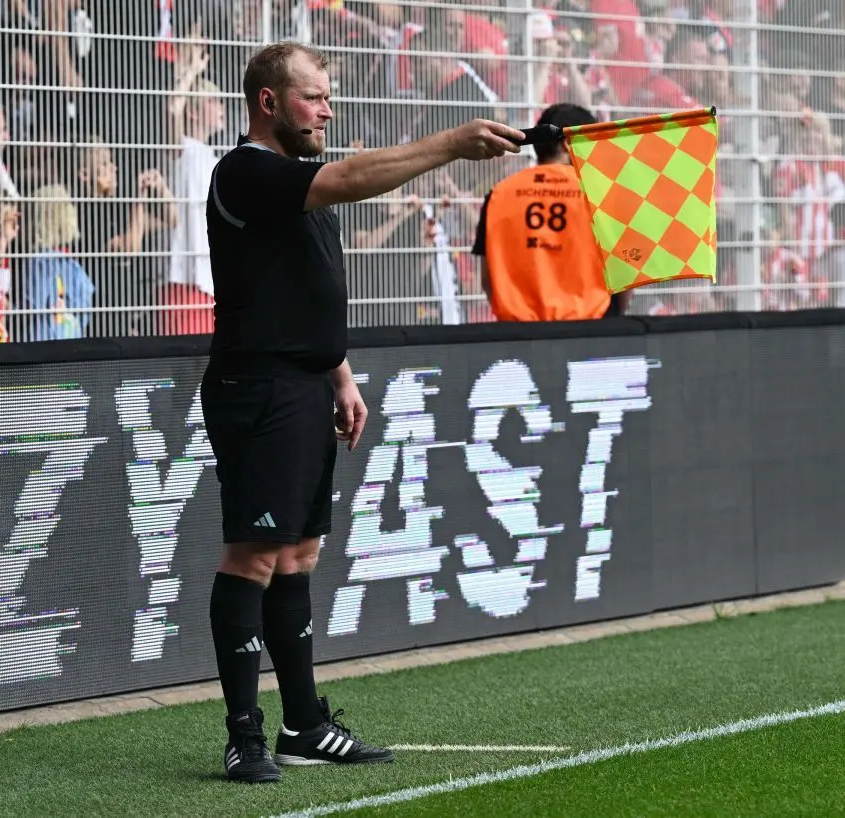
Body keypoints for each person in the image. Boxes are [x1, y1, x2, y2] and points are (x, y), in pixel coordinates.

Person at [202, 40, 524, 785]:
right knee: (254, 556)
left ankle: (303, 725)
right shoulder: (246, 171)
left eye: (328, 97)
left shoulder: (295, 181)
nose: (327, 110)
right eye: (313, 97)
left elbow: (297, 289)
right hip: (258, 388)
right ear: (268, 102)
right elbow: (348, 179)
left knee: (298, 556)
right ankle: (244, 735)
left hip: (306, 385)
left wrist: (340, 376)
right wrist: (451, 144)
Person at [471, 102, 625, 322]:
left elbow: (487, 279)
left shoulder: (499, 194)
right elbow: (625, 274)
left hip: (518, 332)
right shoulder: (602, 195)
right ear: (567, 145)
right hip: (592, 329)